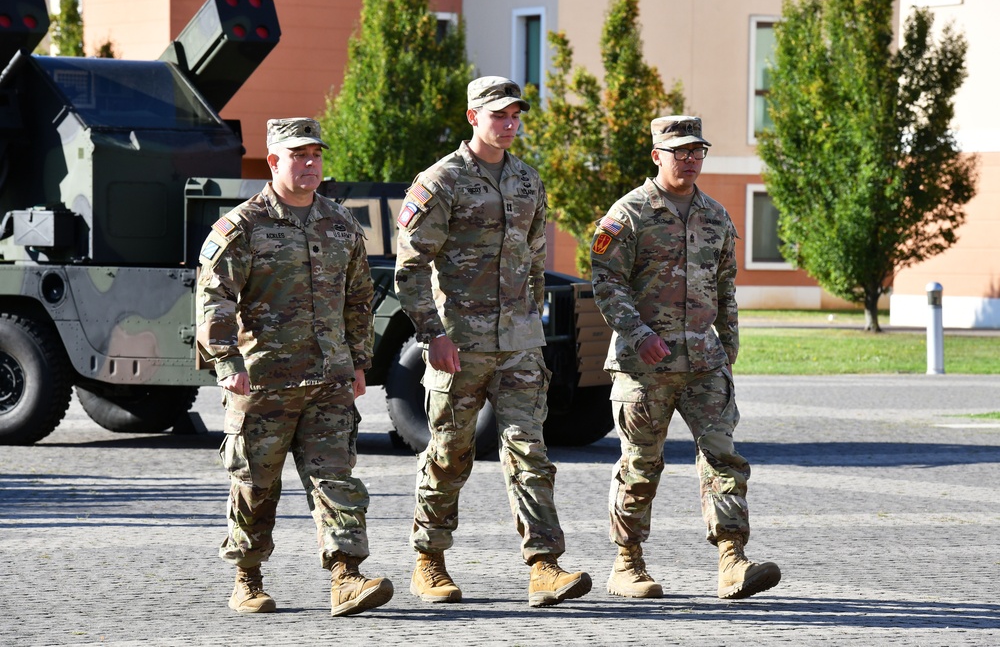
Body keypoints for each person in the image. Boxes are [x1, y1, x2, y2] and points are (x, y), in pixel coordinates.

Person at [394, 76, 592, 608]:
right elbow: (409, 270)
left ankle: (544, 566)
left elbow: (533, 260)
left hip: (520, 347)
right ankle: (428, 561)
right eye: (498, 115)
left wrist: (532, 327)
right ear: (472, 117)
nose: (509, 124)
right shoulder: (441, 182)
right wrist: (432, 335)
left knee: (531, 452)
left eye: (515, 115)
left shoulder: (528, 181)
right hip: (460, 345)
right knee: (450, 454)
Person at [196, 117, 393, 617]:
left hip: (328, 378)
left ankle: (346, 577)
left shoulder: (340, 223)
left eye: (315, 155)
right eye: (297, 156)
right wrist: (226, 360)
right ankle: (247, 577)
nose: (309, 164)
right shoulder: (242, 226)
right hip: (263, 380)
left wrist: (359, 361)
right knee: (256, 486)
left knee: (337, 479)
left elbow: (359, 296)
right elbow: (214, 294)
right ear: (274, 162)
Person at [590, 115, 781, 600]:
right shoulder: (628, 214)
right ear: (657, 155)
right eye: (680, 152)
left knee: (723, 457)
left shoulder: (716, 215)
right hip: (644, 366)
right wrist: (637, 333)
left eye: (698, 151)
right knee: (640, 463)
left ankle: (731, 561)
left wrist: (728, 348)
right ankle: (627, 564)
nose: (690, 159)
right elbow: (606, 282)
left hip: (704, 362)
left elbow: (725, 288)